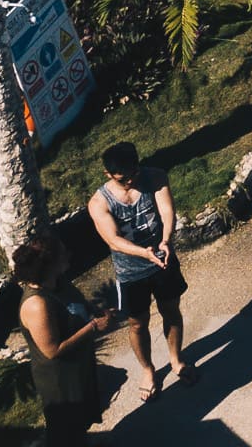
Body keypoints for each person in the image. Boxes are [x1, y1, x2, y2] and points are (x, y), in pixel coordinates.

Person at [89, 141, 186, 395]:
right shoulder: (99, 203)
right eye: (123, 179)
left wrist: (165, 240)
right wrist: (144, 253)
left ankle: (176, 360)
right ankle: (148, 370)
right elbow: (113, 240)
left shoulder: (155, 177)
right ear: (108, 175)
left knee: (171, 311)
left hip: (163, 260)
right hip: (131, 272)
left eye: (134, 174)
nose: (131, 182)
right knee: (137, 324)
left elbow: (167, 212)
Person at [14, 231, 116, 442]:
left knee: (80, 422)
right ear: (50, 264)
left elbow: (75, 305)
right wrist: (93, 327)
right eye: (63, 254)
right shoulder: (37, 304)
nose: (68, 255)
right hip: (61, 381)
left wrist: (95, 310)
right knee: (66, 431)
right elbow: (52, 350)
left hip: (78, 369)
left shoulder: (58, 283)